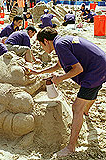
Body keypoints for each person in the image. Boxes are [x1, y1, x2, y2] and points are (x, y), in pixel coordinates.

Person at [31, 27, 106, 157]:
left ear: (45, 41)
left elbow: (78, 69)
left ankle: (71, 147)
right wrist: (39, 72)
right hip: (100, 65)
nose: (42, 48)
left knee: (77, 107)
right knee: (90, 93)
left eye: (40, 45)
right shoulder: (62, 42)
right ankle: (86, 112)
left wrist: (59, 79)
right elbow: (59, 65)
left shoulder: (59, 45)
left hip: (95, 71)